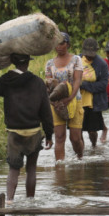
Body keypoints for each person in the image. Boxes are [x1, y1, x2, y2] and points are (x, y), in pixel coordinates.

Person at [0, 53, 53, 202]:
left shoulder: (6, 80)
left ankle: (9, 201)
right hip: (33, 132)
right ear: (28, 63)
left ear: (12, 62)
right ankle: (30, 202)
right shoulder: (38, 82)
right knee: (31, 168)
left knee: (13, 169)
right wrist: (50, 135)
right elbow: (46, 112)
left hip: (14, 133)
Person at [45, 32, 84, 161]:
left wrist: (69, 98)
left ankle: (80, 157)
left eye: (62, 43)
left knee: (75, 138)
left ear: (68, 44)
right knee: (59, 137)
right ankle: (59, 168)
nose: (59, 46)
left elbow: (77, 81)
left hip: (74, 100)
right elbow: (49, 84)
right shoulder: (49, 63)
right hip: (57, 103)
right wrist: (53, 102)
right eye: (56, 43)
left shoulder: (76, 60)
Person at [79, 38, 108, 147]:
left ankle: (94, 147)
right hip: (77, 101)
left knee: (92, 131)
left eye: (92, 54)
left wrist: (83, 84)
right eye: (87, 54)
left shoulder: (102, 64)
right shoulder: (76, 60)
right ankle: (80, 152)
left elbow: (103, 85)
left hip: (93, 103)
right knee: (78, 131)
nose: (89, 56)